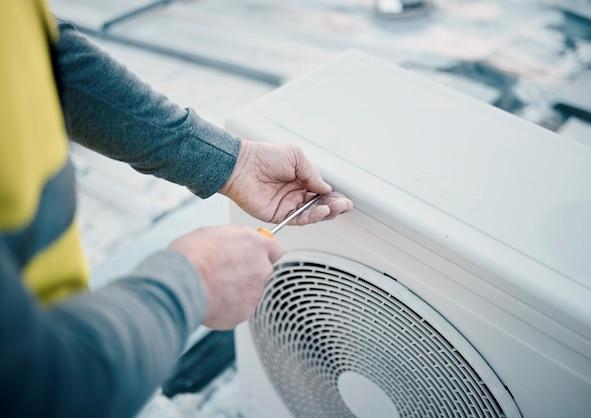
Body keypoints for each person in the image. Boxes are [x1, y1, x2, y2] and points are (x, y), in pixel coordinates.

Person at [0, 2, 352, 417]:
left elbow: (40, 57)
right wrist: (193, 283)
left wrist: (226, 162)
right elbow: (28, 388)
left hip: (94, 338)